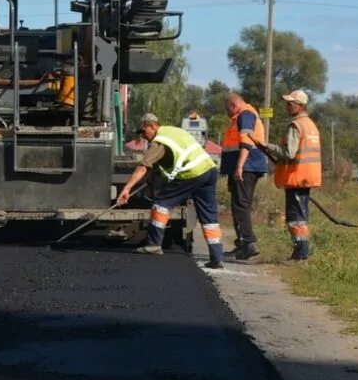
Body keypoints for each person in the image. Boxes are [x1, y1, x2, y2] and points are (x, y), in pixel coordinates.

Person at [117, 113, 226, 269]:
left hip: (191, 173)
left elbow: (143, 167)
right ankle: (217, 257)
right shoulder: (174, 131)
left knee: (160, 205)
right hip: (209, 171)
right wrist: (152, 177)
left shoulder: (160, 141)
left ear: (152, 125)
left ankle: (153, 245)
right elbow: (170, 159)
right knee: (209, 217)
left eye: (143, 131)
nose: (143, 136)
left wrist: (127, 188)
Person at [248, 90, 322, 262]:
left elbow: (289, 153)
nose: (287, 106)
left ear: (300, 105)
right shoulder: (310, 125)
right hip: (307, 176)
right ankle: (300, 253)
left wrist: (267, 146)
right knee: (300, 216)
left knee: (296, 219)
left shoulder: (296, 126)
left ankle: (301, 254)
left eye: (290, 103)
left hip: (296, 177)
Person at [220, 93, 267, 260]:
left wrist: (240, 166)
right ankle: (242, 244)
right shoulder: (241, 116)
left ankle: (248, 242)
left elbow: (245, 142)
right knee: (238, 205)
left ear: (233, 105)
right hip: (245, 167)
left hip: (247, 167)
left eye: (227, 109)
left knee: (241, 204)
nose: (227, 113)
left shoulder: (245, 114)